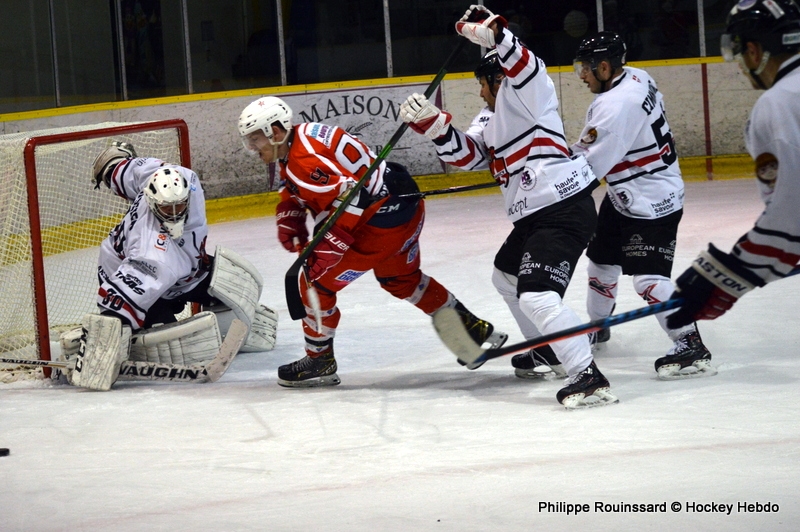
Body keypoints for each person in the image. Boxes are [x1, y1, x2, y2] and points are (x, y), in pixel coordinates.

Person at [400, 5, 616, 408]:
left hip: (562, 207)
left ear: (497, 77)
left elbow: (526, 62)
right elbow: (469, 156)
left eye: (483, 83)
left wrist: (494, 34)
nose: (479, 92)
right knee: (506, 277)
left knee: (537, 296)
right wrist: (433, 123)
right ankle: (548, 349)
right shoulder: (490, 115)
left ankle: (587, 377)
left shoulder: (530, 93)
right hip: (536, 216)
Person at [236, 96, 507, 388]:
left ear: (275, 132)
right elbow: (302, 182)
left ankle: (320, 361)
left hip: (379, 224)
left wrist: (327, 248)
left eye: (255, 139)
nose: (252, 148)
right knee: (400, 279)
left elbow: (353, 198)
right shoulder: (301, 136)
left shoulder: (303, 159)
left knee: (315, 282)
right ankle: (471, 331)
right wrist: (289, 211)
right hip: (404, 208)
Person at [60, 142, 278, 391]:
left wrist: (112, 169)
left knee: (235, 281)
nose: (175, 212)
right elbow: (119, 302)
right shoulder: (152, 255)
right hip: (129, 270)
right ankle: (130, 336)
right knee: (164, 340)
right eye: (166, 208)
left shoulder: (184, 180)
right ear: (153, 203)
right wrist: (100, 348)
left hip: (188, 269)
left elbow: (131, 171)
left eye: (180, 205)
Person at [569, 31, 714, 380]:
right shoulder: (636, 76)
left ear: (604, 67)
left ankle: (690, 343)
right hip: (626, 194)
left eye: (585, 69)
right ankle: (598, 326)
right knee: (601, 263)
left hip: (651, 201)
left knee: (648, 279)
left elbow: (588, 168)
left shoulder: (616, 105)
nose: (582, 76)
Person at [667, 0, 800, 334]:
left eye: (741, 54)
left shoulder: (779, 104)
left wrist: (728, 277)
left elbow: (791, 213)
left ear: (755, 52)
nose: (741, 65)